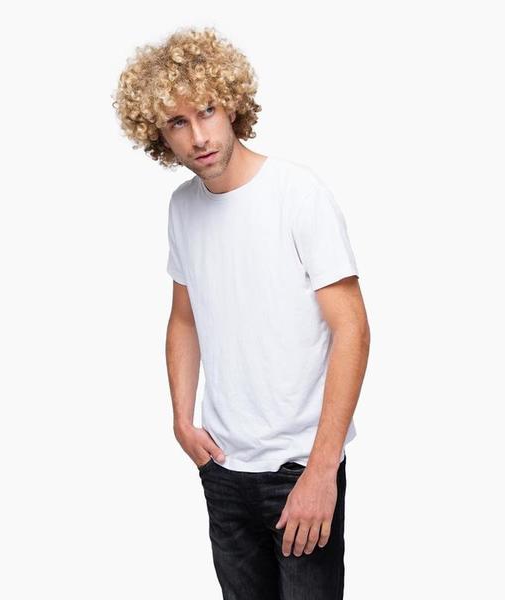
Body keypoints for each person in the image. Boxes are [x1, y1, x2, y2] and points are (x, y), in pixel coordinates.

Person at [113, 25, 370, 600]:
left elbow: (351, 328)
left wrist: (322, 469)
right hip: (225, 469)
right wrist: (182, 420)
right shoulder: (183, 207)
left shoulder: (297, 193)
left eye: (206, 110)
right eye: (177, 122)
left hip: (299, 469)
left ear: (231, 104)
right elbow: (185, 318)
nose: (198, 136)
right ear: (158, 134)